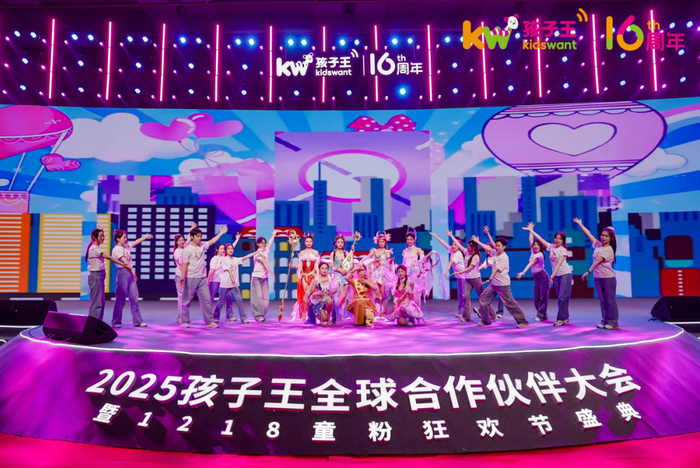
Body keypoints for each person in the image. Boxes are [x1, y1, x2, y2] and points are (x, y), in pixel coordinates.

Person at [472, 231, 529, 329]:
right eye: (496, 245)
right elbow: (488, 248)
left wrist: (489, 278)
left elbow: (496, 270)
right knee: (483, 299)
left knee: (510, 303)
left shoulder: (504, 257)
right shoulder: (495, 253)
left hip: (503, 285)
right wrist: (478, 242)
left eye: (499, 246)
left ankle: (523, 322)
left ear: (504, 247)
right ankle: (486, 320)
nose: (497, 247)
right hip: (494, 285)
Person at [523, 222, 573, 326]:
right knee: (561, 297)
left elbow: (559, 264)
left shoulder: (563, 250)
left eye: (560, 239)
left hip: (565, 274)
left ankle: (560, 319)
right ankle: (565, 317)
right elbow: (540, 239)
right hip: (556, 275)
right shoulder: (551, 247)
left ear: (563, 241)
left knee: (563, 297)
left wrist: (552, 275)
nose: (557, 240)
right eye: (556, 238)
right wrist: (531, 230)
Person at [179, 226, 228, 328]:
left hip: (202, 278)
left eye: (201, 236)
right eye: (198, 236)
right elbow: (185, 264)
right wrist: (183, 278)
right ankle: (184, 321)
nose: (200, 238)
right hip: (191, 278)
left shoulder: (202, 246)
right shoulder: (187, 250)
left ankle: (209, 321)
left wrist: (220, 234)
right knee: (186, 300)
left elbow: (212, 241)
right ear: (192, 237)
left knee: (207, 300)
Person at [575, 218, 619, 330]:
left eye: (606, 236)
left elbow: (597, 261)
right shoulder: (598, 245)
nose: (603, 237)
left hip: (608, 278)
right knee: (603, 301)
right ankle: (604, 321)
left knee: (610, 301)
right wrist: (581, 224)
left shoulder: (609, 250)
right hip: (598, 278)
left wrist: (588, 272)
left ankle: (613, 323)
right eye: (602, 235)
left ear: (611, 238)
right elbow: (589, 234)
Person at [84, 228, 132, 322]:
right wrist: (122, 264)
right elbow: (109, 257)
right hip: (96, 277)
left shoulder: (96, 247)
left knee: (101, 302)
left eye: (103, 236)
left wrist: (100, 230)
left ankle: (97, 324)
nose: (103, 238)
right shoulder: (94, 249)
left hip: (100, 276)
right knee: (97, 303)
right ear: (94, 238)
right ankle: (92, 324)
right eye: (101, 236)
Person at [445, 231, 491, 322]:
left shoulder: (476, 256)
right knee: (465, 297)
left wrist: (457, 272)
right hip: (468, 279)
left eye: (469, 246)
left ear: (473, 247)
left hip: (476, 279)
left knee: (482, 297)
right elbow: (459, 245)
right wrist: (451, 236)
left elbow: (469, 268)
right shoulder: (466, 252)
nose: (467, 247)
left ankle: (492, 314)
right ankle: (466, 317)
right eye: (467, 246)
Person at [111, 230, 153, 328]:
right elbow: (125, 262)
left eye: (126, 237)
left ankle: (138, 321)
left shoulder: (125, 247)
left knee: (134, 298)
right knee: (120, 299)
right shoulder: (116, 250)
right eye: (124, 237)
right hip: (123, 273)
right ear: (118, 239)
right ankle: (116, 322)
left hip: (130, 273)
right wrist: (133, 272)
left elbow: (135, 242)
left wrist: (145, 237)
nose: (126, 239)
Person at [214, 233, 257, 324]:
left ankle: (243, 318)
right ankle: (215, 317)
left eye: (232, 249)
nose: (231, 250)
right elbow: (229, 271)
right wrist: (234, 281)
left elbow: (247, 256)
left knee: (239, 301)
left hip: (233, 285)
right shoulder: (224, 259)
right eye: (228, 249)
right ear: (225, 251)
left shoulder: (235, 260)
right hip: (225, 284)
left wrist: (257, 252)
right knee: (220, 302)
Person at [516, 233, 549, 322]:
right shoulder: (533, 252)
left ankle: (540, 315)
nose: (535, 246)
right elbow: (530, 239)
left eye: (537, 245)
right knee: (536, 298)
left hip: (542, 276)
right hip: (536, 277)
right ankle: (543, 314)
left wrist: (523, 272)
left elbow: (531, 263)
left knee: (542, 297)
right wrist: (531, 230)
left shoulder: (539, 255)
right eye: (534, 245)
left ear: (540, 246)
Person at [365, 231, 397, 318]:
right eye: (380, 241)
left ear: (385, 242)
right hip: (376, 274)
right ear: (377, 242)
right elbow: (368, 259)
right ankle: (377, 311)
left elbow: (388, 263)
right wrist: (373, 262)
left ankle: (383, 311)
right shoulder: (375, 251)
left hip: (383, 274)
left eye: (383, 241)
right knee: (377, 293)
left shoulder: (387, 252)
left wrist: (390, 264)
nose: (381, 243)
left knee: (383, 294)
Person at [250, 229, 278, 322]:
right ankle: (258, 315)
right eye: (261, 243)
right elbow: (262, 261)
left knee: (265, 298)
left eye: (264, 243)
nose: (264, 244)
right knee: (257, 297)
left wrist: (273, 235)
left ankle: (262, 313)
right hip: (257, 277)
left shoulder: (265, 251)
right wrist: (269, 270)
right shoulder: (256, 253)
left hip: (264, 278)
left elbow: (270, 244)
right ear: (258, 244)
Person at [172, 222, 196, 324]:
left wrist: (192, 229)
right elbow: (182, 263)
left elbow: (189, 239)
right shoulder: (177, 252)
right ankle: (180, 318)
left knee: (186, 298)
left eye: (182, 240)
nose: (182, 242)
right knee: (181, 297)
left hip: (186, 276)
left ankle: (184, 317)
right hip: (180, 276)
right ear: (176, 242)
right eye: (180, 240)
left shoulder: (184, 248)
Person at [292, 233, 320, 322]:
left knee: (311, 295)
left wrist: (317, 274)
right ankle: (304, 312)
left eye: (310, 241)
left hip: (312, 276)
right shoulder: (302, 253)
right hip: (304, 276)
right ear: (304, 242)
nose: (308, 243)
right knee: (306, 294)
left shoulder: (315, 252)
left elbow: (316, 266)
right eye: (307, 241)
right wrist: (294, 267)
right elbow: (300, 266)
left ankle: (311, 313)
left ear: (312, 242)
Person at [208, 243, 235, 323]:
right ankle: (209, 317)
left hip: (224, 281)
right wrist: (207, 280)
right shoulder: (214, 259)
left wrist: (237, 239)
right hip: (214, 280)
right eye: (221, 249)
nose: (223, 250)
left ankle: (229, 315)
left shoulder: (225, 258)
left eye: (224, 249)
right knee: (210, 299)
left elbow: (232, 246)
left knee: (228, 297)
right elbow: (212, 270)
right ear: (217, 250)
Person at [329, 234, 354, 320]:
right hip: (337, 275)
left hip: (345, 275)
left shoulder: (346, 253)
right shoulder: (333, 253)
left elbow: (350, 263)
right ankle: (334, 312)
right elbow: (332, 265)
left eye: (341, 242)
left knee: (345, 295)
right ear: (335, 243)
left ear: (344, 244)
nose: (340, 244)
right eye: (338, 242)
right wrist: (340, 270)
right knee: (340, 295)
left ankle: (342, 314)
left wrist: (352, 253)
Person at [403, 228, 427, 300]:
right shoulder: (404, 251)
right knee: (407, 290)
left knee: (415, 291)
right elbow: (404, 262)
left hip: (415, 271)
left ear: (414, 240)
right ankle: (409, 306)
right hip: (407, 272)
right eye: (408, 239)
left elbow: (422, 260)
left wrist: (419, 266)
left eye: (411, 239)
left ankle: (416, 306)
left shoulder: (417, 250)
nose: (409, 241)